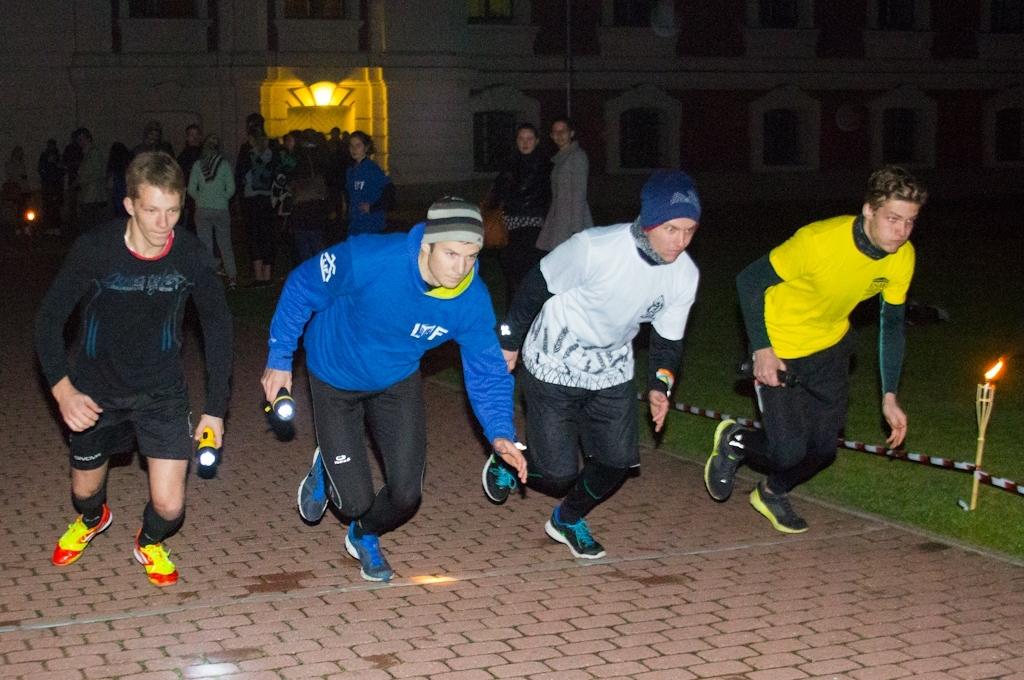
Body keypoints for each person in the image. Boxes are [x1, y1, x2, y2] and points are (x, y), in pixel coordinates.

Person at [262, 197, 526, 582]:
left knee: (406, 495)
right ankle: (327, 468)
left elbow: (487, 370)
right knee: (353, 500)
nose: (462, 267)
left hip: (395, 379)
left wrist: (500, 432)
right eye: (452, 254)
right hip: (334, 372)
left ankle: (364, 534)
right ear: (427, 245)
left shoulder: (471, 299)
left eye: (472, 256)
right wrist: (280, 357)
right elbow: (303, 285)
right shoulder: (372, 259)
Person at [34, 150, 233, 587]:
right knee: (84, 492)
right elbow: (48, 321)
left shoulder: (191, 254)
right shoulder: (95, 249)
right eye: (152, 210)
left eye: (174, 211)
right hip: (94, 393)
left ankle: (150, 541)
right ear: (129, 205)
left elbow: (218, 327)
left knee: (170, 507)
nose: (164, 223)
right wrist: (63, 390)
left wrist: (215, 409)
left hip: (161, 394)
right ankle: (92, 519)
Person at [487, 170, 702, 559]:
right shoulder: (594, 247)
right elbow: (537, 282)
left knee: (618, 461)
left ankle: (567, 519)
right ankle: (507, 462)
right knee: (557, 474)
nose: (681, 241)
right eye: (672, 228)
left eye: (689, 230)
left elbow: (669, 339)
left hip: (611, 369)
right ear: (650, 221)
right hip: (554, 359)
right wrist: (510, 341)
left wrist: (660, 385)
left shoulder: (684, 274)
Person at [703, 165, 927, 534]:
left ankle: (772, 492)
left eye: (910, 222)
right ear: (868, 210)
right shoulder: (818, 241)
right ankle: (735, 441)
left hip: (830, 349)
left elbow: (891, 324)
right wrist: (762, 349)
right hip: (781, 347)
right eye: (893, 219)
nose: (901, 232)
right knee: (786, 451)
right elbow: (749, 280)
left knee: (823, 451)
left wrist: (889, 395)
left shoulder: (902, 256)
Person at [483, 122, 551, 303]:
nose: (525, 142)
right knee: (510, 274)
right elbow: (497, 192)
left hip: (532, 225)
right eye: (521, 138)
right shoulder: (511, 163)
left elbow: (538, 195)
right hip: (509, 225)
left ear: (536, 141)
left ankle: (527, 317)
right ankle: (512, 319)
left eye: (529, 138)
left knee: (527, 273)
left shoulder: (545, 165)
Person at [188, 133, 238, 288]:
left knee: (205, 244)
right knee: (225, 244)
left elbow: (190, 189)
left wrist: (200, 198)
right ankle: (232, 279)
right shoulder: (224, 165)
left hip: (202, 210)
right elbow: (231, 189)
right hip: (221, 209)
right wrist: (222, 198)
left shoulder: (198, 165)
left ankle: (209, 279)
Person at [536, 117, 592, 252]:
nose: (559, 135)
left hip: (571, 220)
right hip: (558, 216)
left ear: (571, 133)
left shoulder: (577, 156)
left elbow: (580, 193)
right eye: (555, 132)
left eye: (563, 131)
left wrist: (576, 229)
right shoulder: (560, 158)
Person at [345, 130, 393, 237]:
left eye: (358, 145)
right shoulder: (351, 171)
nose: (354, 149)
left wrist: (373, 208)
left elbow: (389, 191)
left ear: (366, 148)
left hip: (370, 225)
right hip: (355, 224)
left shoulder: (372, 169)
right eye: (351, 146)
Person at [177, 123, 203, 232]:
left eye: (197, 135)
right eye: (191, 135)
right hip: (189, 198)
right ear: (187, 137)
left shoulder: (206, 155)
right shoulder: (183, 156)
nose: (194, 138)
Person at [38, 139, 66, 236]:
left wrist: (58, 166)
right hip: (47, 186)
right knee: (48, 207)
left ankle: (56, 227)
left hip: (56, 186)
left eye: (52, 145)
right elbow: (41, 170)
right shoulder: (44, 156)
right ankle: (49, 227)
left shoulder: (58, 157)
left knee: (55, 208)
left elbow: (62, 171)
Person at [106, 142, 132, 219]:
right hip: (127, 196)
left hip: (117, 198)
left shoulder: (114, 169)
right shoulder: (129, 167)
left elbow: (109, 185)